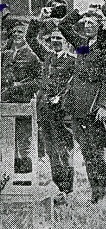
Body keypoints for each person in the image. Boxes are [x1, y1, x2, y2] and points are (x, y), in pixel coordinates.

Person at [57, 5, 106, 204]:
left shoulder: (104, 47)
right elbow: (64, 26)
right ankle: (95, 193)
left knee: (97, 152)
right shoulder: (83, 45)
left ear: (100, 26)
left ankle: (100, 195)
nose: (86, 25)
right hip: (77, 106)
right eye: (84, 22)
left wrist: (104, 105)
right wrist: (81, 11)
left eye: (91, 22)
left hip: (94, 109)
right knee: (86, 151)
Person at [25, 11, 76, 202]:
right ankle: (59, 189)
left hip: (63, 113)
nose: (55, 41)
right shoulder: (47, 56)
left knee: (64, 150)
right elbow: (30, 37)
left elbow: (74, 84)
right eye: (53, 38)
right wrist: (39, 18)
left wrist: (61, 98)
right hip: (45, 111)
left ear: (67, 41)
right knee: (51, 150)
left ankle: (68, 190)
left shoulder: (73, 60)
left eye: (59, 38)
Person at [1, 17, 43, 176]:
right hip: (6, 102)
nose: (17, 34)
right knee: (7, 142)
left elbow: (39, 80)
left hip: (23, 102)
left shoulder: (33, 55)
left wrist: (21, 87)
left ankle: (24, 179)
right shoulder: (6, 54)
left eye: (21, 32)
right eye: (14, 32)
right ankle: (8, 177)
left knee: (23, 143)